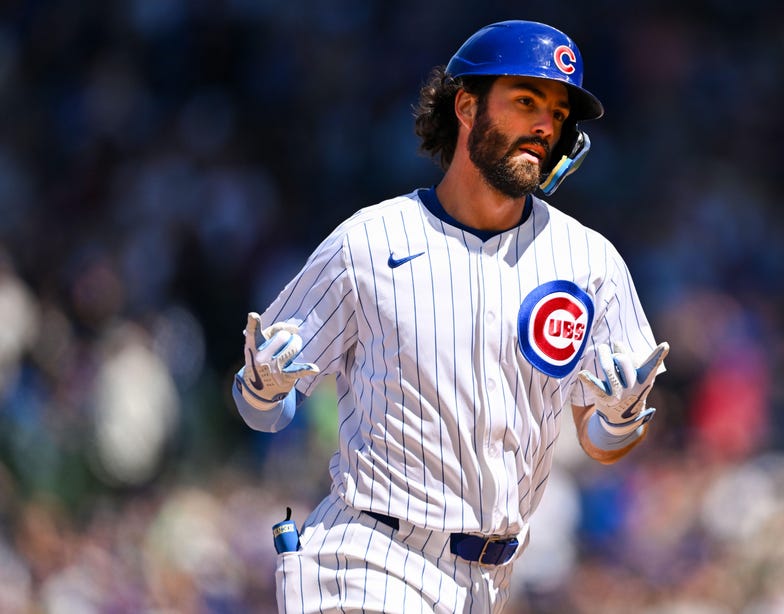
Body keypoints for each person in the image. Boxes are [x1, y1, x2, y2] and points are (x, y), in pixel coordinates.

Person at [231, 19, 669, 614]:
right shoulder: (369, 242)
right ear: (466, 106)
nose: (546, 125)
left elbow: (598, 439)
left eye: (559, 113)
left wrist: (618, 419)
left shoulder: (590, 262)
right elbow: (266, 412)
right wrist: (263, 385)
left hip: (488, 580)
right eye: (525, 101)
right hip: (367, 556)